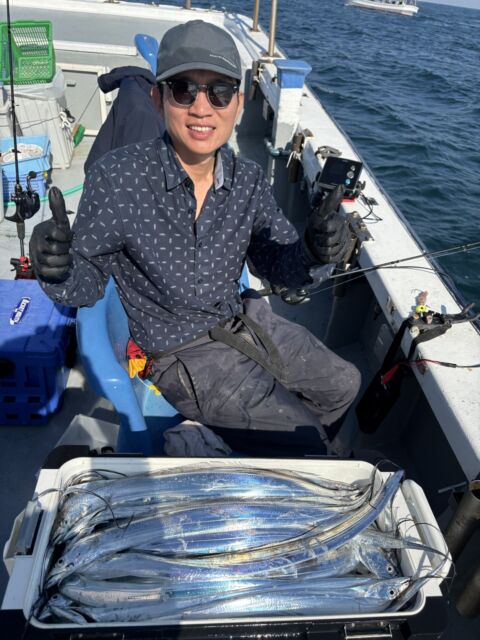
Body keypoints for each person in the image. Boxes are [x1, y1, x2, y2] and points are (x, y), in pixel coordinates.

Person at [29, 20, 360, 455]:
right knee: (302, 438)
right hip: (178, 352)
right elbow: (86, 283)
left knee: (344, 384)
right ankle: (302, 456)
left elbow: (280, 265)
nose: (202, 108)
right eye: (184, 90)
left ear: (237, 104)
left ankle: (297, 459)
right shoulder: (118, 178)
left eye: (219, 91)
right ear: (158, 98)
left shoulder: (248, 180)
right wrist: (57, 266)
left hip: (244, 321)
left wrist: (316, 249)